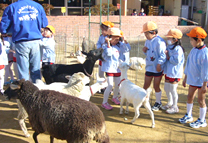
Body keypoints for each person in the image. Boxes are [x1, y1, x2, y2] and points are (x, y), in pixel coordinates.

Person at [0, 0, 48, 83]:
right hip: (36, 40)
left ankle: (25, 89)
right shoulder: (38, 6)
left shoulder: (12, 7)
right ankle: (37, 89)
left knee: (23, 70)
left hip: (21, 40)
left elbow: (4, 26)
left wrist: (7, 32)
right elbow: (44, 23)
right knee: (35, 70)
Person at [179, 27, 208, 128]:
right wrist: (186, 77)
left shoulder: (205, 53)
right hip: (193, 80)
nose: (190, 42)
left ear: (199, 40)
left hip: (202, 82)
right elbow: (188, 64)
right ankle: (189, 115)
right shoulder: (193, 50)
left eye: (191, 40)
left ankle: (202, 120)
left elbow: (206, 70)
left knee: (201, 100)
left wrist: (205, 84)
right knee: (189, 97)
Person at [101, 28, 131, 110]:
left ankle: (115, 97)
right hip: (109, 68)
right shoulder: (105, 46)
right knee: (110, 85)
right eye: (114, 39)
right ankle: (104, 102)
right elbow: (109, 53)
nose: (116, 41)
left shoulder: (120, 45)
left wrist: (125, 41)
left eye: (117, 39)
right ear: (109, 37)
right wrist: (108, 43)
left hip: (117, 68)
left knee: (118, 85)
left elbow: (127, 49)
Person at [142, 21, 166, 111]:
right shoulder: (147, 41)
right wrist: (144, 51)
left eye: (147, 34)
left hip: (157, 68)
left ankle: (158, 102)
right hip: (149, 66)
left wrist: (159, 64)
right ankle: (142, 100)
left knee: (156, 86)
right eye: (145, 34)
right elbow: (148, 53)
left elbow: (163, 55)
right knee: (146, 85)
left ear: (154, 33)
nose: (145, 36)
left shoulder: (160, 42)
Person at [162, 28, 185, 114]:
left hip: (174, 73)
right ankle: (170, 103)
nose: (168, 39)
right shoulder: (169, 46)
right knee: (166, 88)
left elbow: (176, 60)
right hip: (168, 71)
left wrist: (168, 56)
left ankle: (175, 106)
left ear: (175, 39)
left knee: (173, 89)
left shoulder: (178, 49)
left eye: (169, 38)